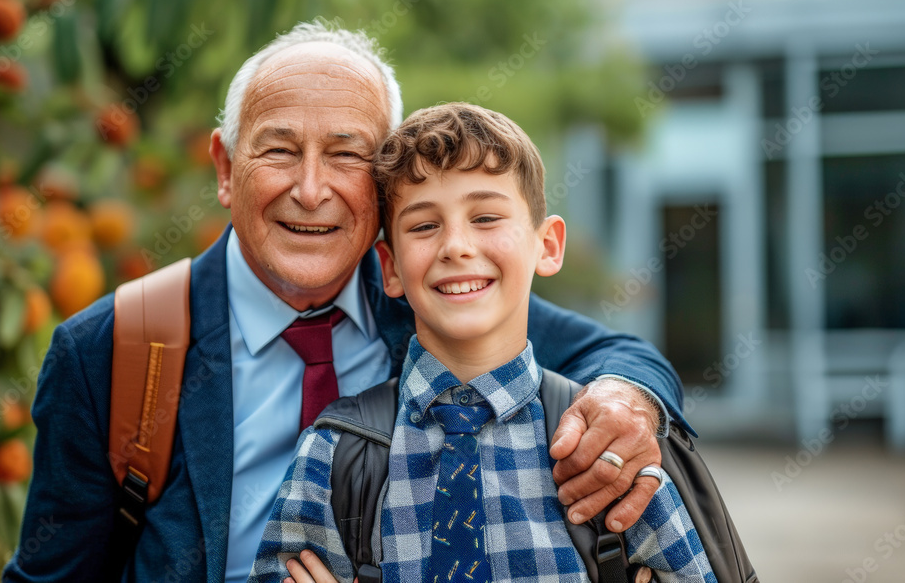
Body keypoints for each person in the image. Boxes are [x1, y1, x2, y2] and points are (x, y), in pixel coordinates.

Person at [3, 22, 691, 583]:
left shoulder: (431, 300)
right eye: (278, 150)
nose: (310, 188)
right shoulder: (117, 350)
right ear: (223, 169)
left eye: (346, 154)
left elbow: (615, 352)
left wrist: (627, 400)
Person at [248, 102, 714, 583]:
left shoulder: (604, 455)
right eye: (424, 226)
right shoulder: (333, 455)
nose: (456, 245)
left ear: (547, 245)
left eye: (486, 217)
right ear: (389, 268)